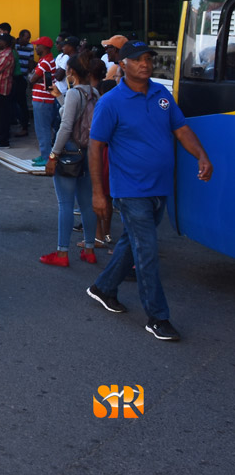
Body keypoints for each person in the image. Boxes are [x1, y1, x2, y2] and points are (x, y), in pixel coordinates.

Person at [86, 41, 213, 342]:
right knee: (147, 251)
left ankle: (103, 288)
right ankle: (157, 317)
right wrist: (98, 193)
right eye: (138, 59)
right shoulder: (111, 102)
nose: (145, 64)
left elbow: (181, 129)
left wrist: (202, 155)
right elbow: (95, 147)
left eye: (148, 58)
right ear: (123, 64)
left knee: (132, 242)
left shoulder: (161, 95)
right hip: (130, 189)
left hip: (159, 187)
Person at [40, 53, 100, 267]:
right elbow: (77, 116)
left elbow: (66, 126)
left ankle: (62, 252)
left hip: (70, 151)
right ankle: (89, 249)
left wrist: (53, 155)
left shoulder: (74, 93)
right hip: (88, 151)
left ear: (71, 72)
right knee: (86, 203)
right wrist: (59, 98)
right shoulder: (94, 93)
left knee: (65, 203)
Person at [30, 37, 58, 167]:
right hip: (43, 98)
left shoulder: (45, 62)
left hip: (42, 99)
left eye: (38, 45)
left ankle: (46, 156)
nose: (36, 48)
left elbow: (32, 79)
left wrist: (34, 77)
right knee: (43, 128)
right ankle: (44, 154)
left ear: (45, 47)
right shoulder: (46, 60)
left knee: (43, 129)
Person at [12, 29, 34, 137]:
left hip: (23, 78)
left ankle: (24, 124)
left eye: (29, 38)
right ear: (20, 37)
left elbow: (31, 62)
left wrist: (30, 77)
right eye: (27, 37)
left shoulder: (30, 47)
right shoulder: (14, 45)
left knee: (22, 103)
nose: (28, 40)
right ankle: (20, 121)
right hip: (13, 78)